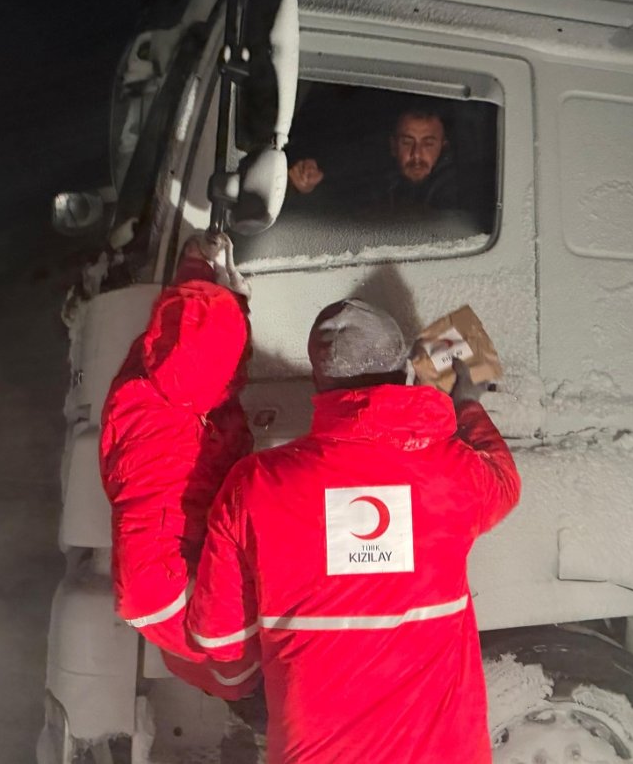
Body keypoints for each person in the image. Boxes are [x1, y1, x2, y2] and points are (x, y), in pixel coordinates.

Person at [184, 298, 522, 763]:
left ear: (317, 385)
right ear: (403, 373)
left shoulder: (254, 484)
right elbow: (504, 483)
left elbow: (218, 640)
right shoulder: (449, 473)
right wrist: (465, 406)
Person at [98, 232, 258, 699]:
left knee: (220, 662)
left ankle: (234, 693)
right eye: (237, 355)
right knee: (236, 667)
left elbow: (187, 327)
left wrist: (200, 275)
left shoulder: (153, 379)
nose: (242, 363)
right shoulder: (178, 412)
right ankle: (245, 702)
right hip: (166, 586)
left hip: (154, 577)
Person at [286, 107, 459, 212]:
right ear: (393, 146)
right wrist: (305, 185)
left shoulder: (460, 189)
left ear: (444, 147)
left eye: (428, 144)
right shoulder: (372, 179)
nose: (416, 154)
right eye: (407, 142)